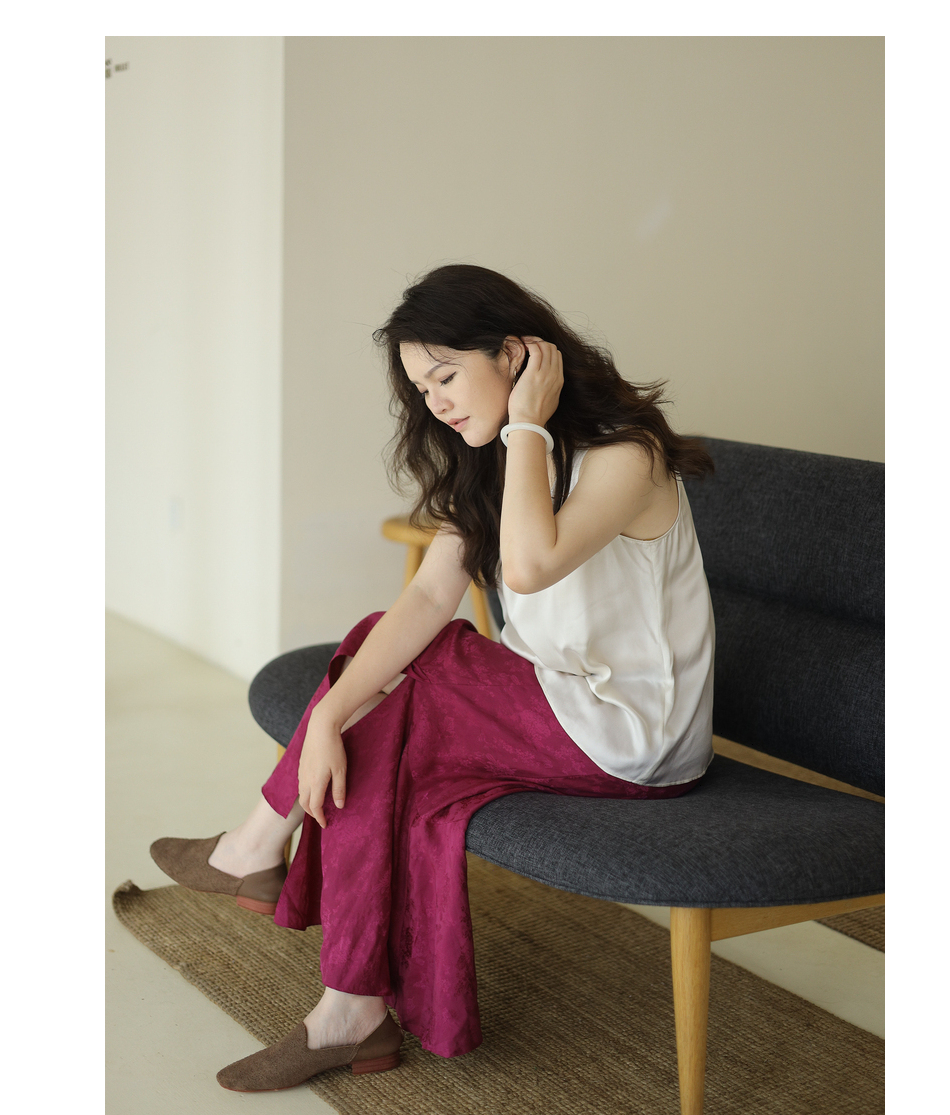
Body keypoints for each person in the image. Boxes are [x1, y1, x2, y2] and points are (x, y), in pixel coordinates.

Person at [149, 263, 716, 1093]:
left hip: (632, 732)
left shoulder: (625, 455)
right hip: (554, 705)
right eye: (422, 388)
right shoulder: (494, 458)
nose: (436, 402)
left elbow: (527, 567)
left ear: (517, 354)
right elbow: (425, 596)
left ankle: (263, 860)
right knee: (380, 703)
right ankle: (343, 1002)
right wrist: (329, 718)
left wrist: (526, 424)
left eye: (446, 375)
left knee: (420, 674)